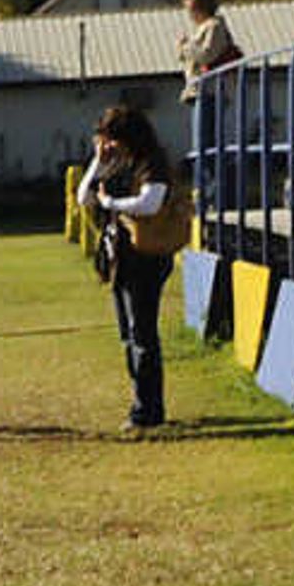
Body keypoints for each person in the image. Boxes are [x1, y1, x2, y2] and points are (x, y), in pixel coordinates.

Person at [84, 101, 190, 431]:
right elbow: (83, 198)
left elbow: (150, 202)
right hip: (123, 258)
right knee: (130, 335)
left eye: (110, 139)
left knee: (142, 335)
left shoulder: (152, 163)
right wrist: (97, 165)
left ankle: (148, 410)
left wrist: (111, 203)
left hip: (147, 258)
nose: (107, 146)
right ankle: (142, 404)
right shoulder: (119, 163)